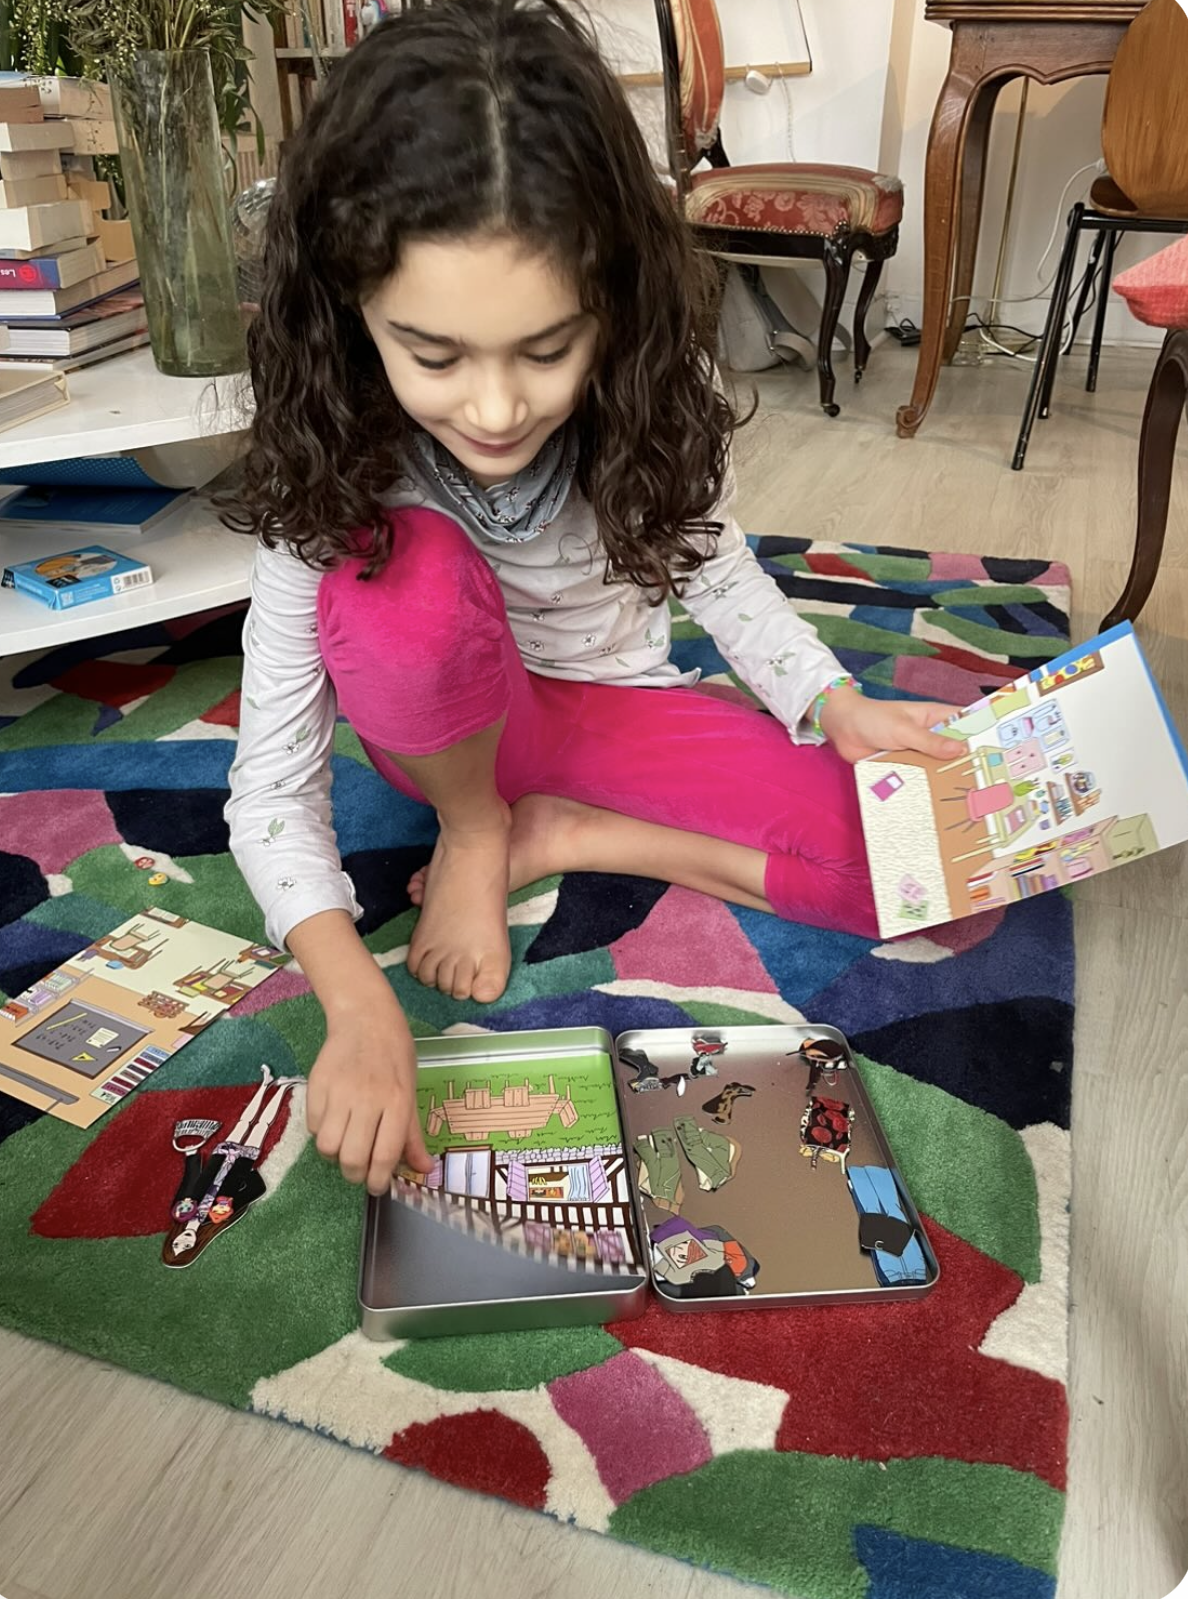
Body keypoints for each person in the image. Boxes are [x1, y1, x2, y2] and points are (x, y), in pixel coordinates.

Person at [224, 0, 958, 1199]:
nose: (498, 410)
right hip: (443, 736)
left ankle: (561, 834)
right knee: (398, 579)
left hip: (612, 715)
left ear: (609, 302)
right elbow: (270, 777)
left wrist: (834, 703)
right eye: (437, 355)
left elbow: (718, 573)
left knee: (914, 859)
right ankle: (478, 826)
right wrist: (355, 1003)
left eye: (546, 349)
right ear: (351, 312)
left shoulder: (660, 390)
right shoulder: (335, 448)